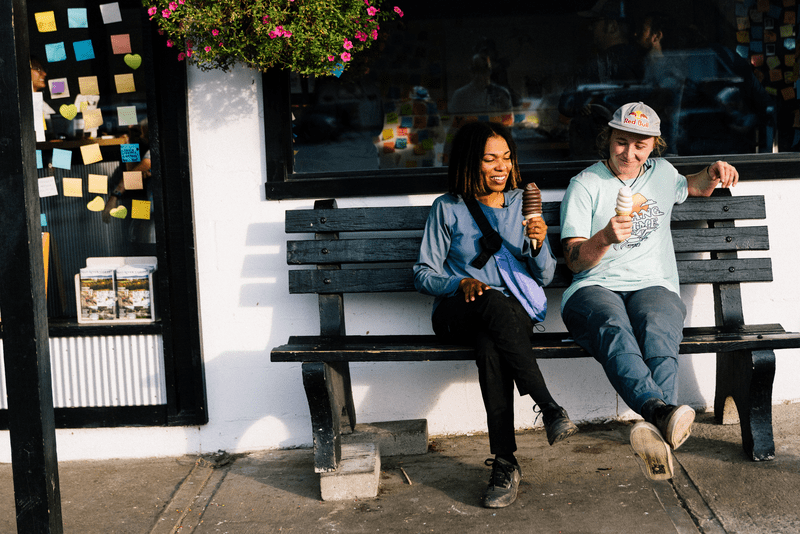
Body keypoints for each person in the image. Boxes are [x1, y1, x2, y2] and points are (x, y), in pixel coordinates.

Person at [559, 101, 739, 480]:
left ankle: (657, 429)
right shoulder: (585, 184)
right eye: (621, 142)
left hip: (653, 284)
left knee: (659, 329)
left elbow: (694, 186)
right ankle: (661, 413)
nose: (629, 153)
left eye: (640, 145)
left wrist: (714, 170)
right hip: (593, 287)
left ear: (654, 146)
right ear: (608, 138)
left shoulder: (662, 174)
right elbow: (574, 260)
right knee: (613, 325)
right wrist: (605, 237)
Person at [414, 121, 578, 508]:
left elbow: (548, 275)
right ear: (471, 163)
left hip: (510, 315)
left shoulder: (524, 203)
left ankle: (505, 462)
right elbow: (423, 273)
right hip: (459, 312)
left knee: (492, 343)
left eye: (506, 158)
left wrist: (538, 243)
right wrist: (459, 284)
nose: (501, 167)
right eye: (490, 159)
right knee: (489, 303)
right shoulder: (448, 208)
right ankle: (549, 407)